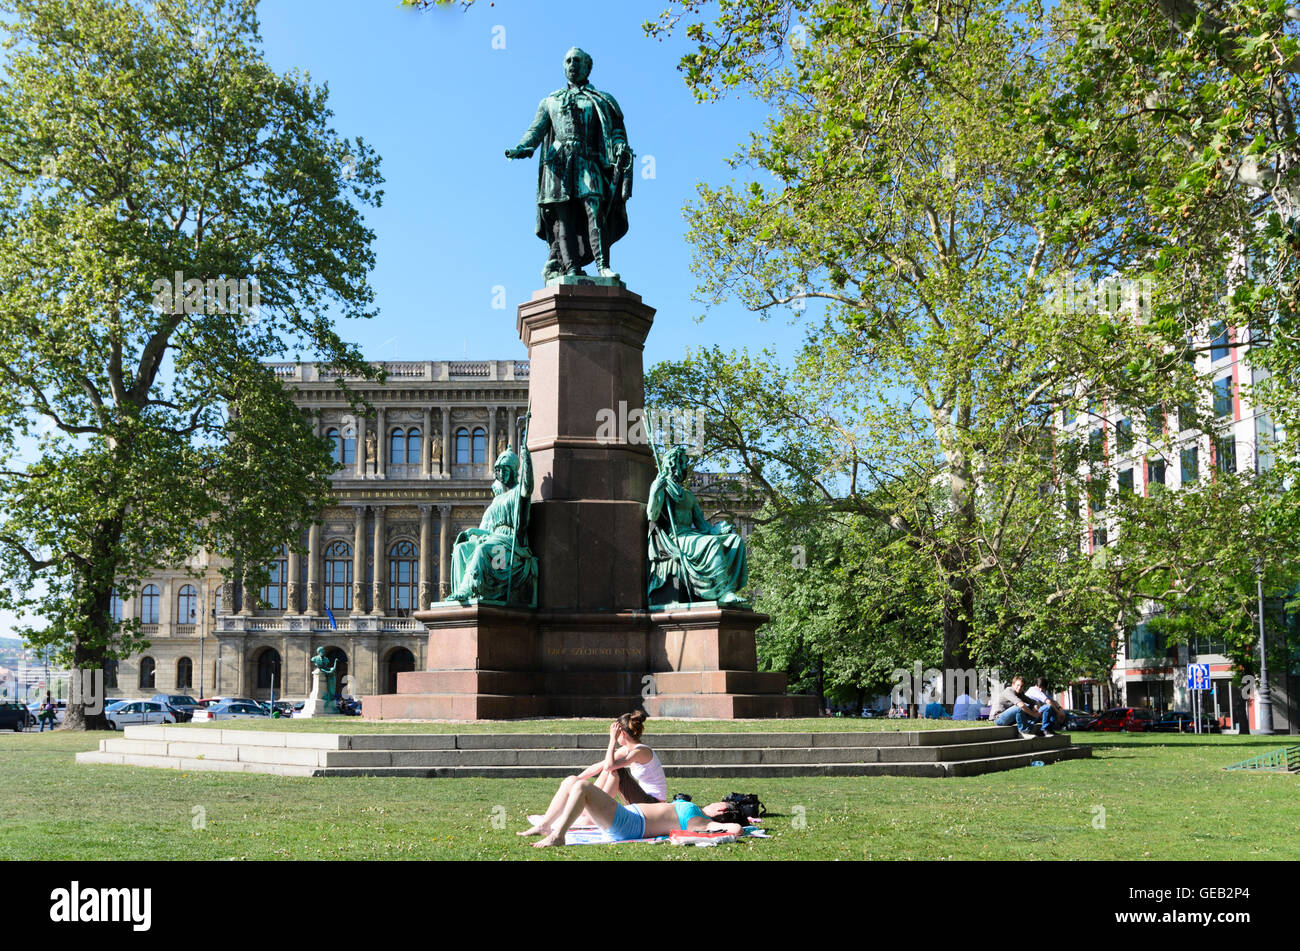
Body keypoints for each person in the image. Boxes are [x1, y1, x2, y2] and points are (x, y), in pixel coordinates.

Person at [506, 47, 633, 281]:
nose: (572, 64)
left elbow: (616, 132)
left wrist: (619, 146)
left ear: (587, 67)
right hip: (558, 164)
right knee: (563, 217)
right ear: (564, 66)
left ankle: (603, 266)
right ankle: (571, 267)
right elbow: (536, 130)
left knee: (595, 209)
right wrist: (523, 147)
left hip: (588, 160)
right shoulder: (550, 100)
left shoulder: (603, 100)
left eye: (577, 60)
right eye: (568, 61)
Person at [646, 445, 748, 607]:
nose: (686, 467)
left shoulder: (688, 496)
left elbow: (704, 526)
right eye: (683, 462)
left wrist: (719, 529)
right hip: (675, 537)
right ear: (674, 464)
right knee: (713, 543)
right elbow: (652, 515)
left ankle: (729, 589)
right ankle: (723, 591)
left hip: (692, 536)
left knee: (735, 541)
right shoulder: (661, 488)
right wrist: (655, 491)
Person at [447, 426, 537, 605]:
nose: (501, 474)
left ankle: (468, 588)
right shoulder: (495, 502)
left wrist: (526, 459)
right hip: (494, 539)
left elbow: (528, 487)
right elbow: (487, 532)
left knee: (483, 550)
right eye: (498, 470)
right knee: (461, 550)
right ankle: (461, 593)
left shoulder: (517, 493)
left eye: (505, 469)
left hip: (511, 546)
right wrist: (472, 532)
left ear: (512, 471)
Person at [524, 783, 746, 847]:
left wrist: (741, 827)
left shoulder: (701, 820)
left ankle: (558, 836)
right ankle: (546, 825)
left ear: (722, 809)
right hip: (626, 817)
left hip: (629, 824)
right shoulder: (697, 814)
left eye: (722, 802)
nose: (719, 800)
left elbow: (736, 830)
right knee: (572, 781)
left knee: (582, 787)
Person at [988, 675, 1054, 739]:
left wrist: (1036, 706)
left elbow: (1033, 702)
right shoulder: (1008, 691)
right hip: (999, 718)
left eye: (1021, 686)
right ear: (1013, 684)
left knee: (1046, 707)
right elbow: (1021, 705)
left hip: (1011, 718)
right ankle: (1023, 732)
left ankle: (1046, 729)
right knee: (1019, 707)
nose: (1019, 687)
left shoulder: (1020, 694)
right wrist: (1034, 714)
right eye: (1018, 685)